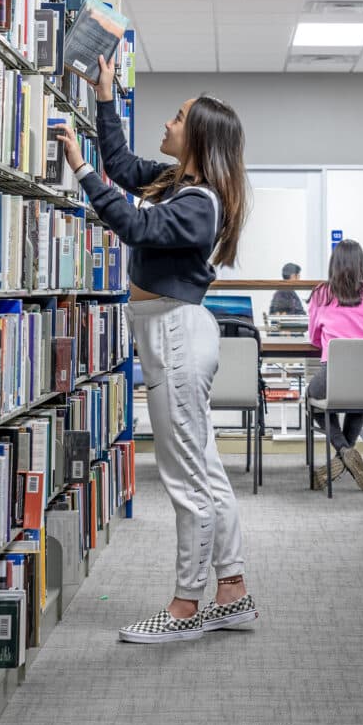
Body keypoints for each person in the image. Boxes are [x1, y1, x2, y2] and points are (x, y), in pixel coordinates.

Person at [56, 55, 257, 644]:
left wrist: (81, 173)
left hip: (174, 333)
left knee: (183, 476)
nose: (167, 124)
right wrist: (102, 96)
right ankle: (233, 589)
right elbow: (119, 163)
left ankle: (185, 607)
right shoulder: (176, 185)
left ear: (197, 137)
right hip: (167, 330)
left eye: (177, 117)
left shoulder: (200, 203)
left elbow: (137, 227)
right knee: (205, 469)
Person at [306, 239, 363, 492]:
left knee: (312, 398)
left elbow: (314, 339)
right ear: (361, 264)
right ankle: (347, 455)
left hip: (333, 372)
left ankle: (344, 451)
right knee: (357, 402)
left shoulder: (321, 294)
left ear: (333, 265)